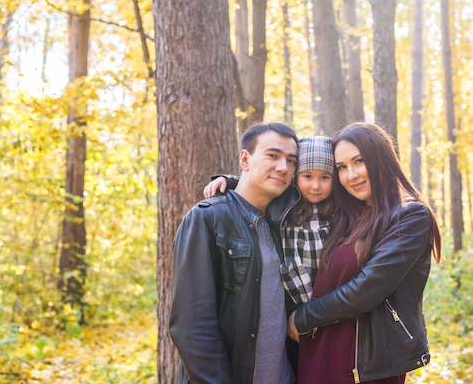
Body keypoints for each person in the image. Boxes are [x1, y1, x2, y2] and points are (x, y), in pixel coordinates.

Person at [287, 122, 442, 384]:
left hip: (365, 365)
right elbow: (290, 185)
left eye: (359, 161)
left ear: (380, 158)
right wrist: (235, 182)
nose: (351, 175)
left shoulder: (409, 216)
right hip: (318, 348)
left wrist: (302, 319)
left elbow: (367, 288)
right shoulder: (343, 213)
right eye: (342, 168)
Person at [169, 122, 299, 384]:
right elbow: (192, 327)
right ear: (245, 159)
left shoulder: (286, 222)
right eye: (272, 156)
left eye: (291, 161)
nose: (283, 167)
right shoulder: (207, 219)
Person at [204, 136, 337, 374]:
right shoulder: (285, 202)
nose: (315, 186)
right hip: (293, 309)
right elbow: (259, 185)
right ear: (297, 178)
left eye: (325, 178)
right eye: (307, 177)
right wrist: (230, 181)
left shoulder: (339, 209)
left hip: (328, 307)